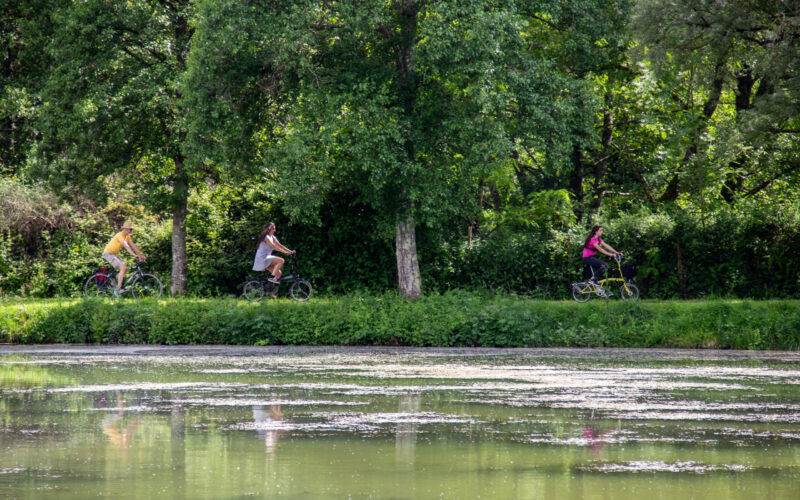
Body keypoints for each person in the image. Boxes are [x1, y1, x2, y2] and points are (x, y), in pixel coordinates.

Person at [102, 221, 146, 295]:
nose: (130, 231)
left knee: (124, 269)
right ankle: (118, 290)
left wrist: (141, 255)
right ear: (125, 229)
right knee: (123, 267)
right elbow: (126, 246)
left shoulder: (127, 236)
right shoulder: (120, 235)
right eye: (130, 229)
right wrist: (135, 255)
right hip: (108, 254)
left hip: (113, 254)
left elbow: (133, 246)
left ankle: (112, 286)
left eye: (131, 229)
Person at [252, 222, 295, 295]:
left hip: (267, 258)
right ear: (269, 229)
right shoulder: (266, 237)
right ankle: (271, 278)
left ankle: (270, 292)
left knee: (278, 274)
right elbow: (273, 246)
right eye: (273, 229)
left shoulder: (272, 237)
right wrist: (285, 252)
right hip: (262, 258)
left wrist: (290, 251)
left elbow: (280, 245)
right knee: (281, 260)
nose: (274, 230)